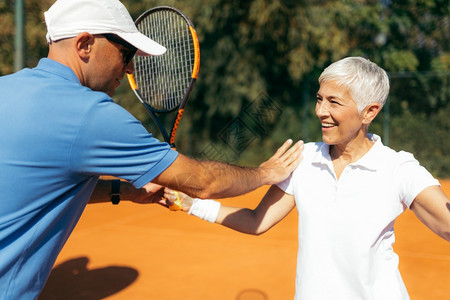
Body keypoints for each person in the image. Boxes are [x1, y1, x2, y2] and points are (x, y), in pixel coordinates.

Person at [0, 0, 304, 298]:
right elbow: (204, 182)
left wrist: (123, 191)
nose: (130, 66)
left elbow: (39, 186)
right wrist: (265, 172)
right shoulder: (90, 114)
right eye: (126, 52)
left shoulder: (7, 89)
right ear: (84, 44)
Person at [164, 57, 450, 300]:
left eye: (333, 102)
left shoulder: (398, 168)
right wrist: (192, 205)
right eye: (319, 99)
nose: (320, 111)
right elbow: (256, 221)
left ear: (369, 112)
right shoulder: (304, 159)